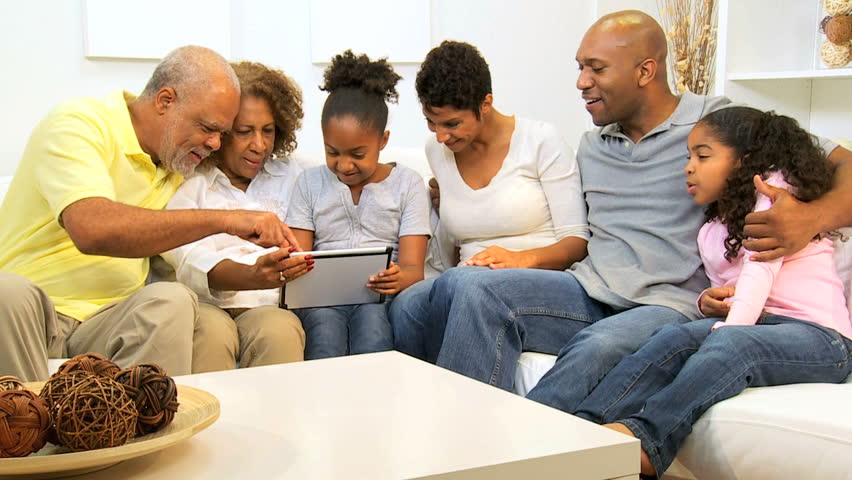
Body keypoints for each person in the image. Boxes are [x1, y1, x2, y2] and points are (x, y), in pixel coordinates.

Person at [412, 10, 852, 398]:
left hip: (668, 304)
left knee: (597, 347)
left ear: (645, 71)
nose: (581, 82)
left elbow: (839, 162)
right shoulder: (591, 145)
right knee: (469, 286)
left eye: (596, 68)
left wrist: (811, 216)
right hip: (586, 290)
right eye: (580, 67)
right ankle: (464, 449)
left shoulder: (717, 124)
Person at [570, 107, 852, 477]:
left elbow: (759, 273)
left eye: (702, 156)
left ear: (744, 162)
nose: (689, 167)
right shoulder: (716, 223)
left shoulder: (775, 197)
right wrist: (708, 303)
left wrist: (731, 327)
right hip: (761, 323)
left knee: (733, 345)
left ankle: (648, 441)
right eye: (689, 156)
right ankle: (583, 428)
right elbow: (729, 285)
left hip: (822, 338)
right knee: (672, 338)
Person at [0, 46, 298, 381]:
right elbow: (92, 229)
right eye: (207, 128)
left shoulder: (178, 165)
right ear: (165, 101)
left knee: (172, 299)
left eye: (223, 133)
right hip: (34, 317)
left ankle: (150, 431)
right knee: (7, 292)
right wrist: (227, 220)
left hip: (109, 321)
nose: (216, 143)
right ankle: (23, 425)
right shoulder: (78, 125)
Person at [390, 40, 590, 361]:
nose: (441, 136)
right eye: (431, 122)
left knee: (466, 285)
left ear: (485, 104)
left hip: (540, 279)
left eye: (452, 123)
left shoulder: (540, 140)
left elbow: (577, 241)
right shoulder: (438, 151)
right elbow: (454, 239)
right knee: (408, 306)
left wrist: (520, 259)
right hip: (466, 279)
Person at [161, 61, 310, 371]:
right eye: (244, 132)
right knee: (212, 335)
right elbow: (183, 255)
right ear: (220, 132)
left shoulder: (294, 176)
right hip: (207, 304)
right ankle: (211, 420)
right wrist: (250, 274)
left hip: (269, 305)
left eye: (268, 131)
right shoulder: (192, 179)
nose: (259, 145)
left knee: (280, 332)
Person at [285, 51, 431, 360]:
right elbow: (298, 261)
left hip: (378, 297)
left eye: (357, 153)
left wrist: (396, 278)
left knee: (373, 329)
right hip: (321, 298)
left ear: (383, 140)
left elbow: (413, 270)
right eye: (332, 152)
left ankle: (372, 406)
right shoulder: (309, 184)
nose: (344, 165)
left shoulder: (408, 184)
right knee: (324, 333)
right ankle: (325, 408)